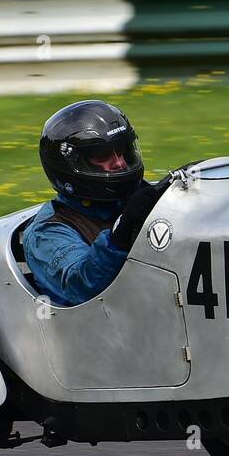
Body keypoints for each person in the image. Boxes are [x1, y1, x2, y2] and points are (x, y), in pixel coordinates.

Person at [23, 99, 173, 307]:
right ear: (71, 165)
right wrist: (120, 234)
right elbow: (81, 286)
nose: (119, 162)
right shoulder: (46, 233)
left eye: (123, 151)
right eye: (103, 156)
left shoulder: (146, 197)